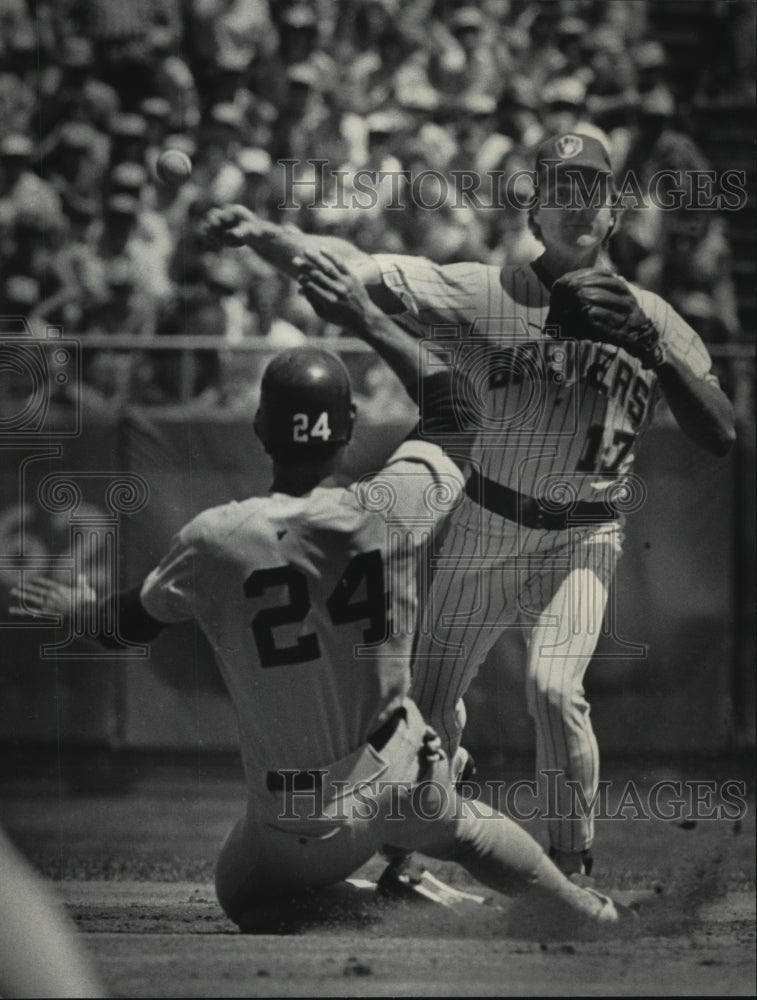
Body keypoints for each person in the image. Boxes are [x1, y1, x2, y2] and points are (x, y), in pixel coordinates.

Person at [12, 250, 631, 936]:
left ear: (259, 430)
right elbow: (456, 409)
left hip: (298, 823)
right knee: (458, 822)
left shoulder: (218, 539)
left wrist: (75, 611)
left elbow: (126, 625)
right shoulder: (389, 506)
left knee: (247, 898)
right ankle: (584, 909)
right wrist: (365, 318)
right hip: (402, 776)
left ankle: (391, 912)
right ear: (346, 432)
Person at [194, 131, 736, 883]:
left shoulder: (653, 314)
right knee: (425, 706)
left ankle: (570, 874)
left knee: (553, 688)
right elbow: (354, 270)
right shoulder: (481, 292)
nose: (577, 204)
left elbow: (720, 431)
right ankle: (404, 864)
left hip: (586, 533)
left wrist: (655, 345)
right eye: (561, 189)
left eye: (591, 191)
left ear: (612, 211)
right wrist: (268, 237)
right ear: (533, 209)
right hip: (488, 522)